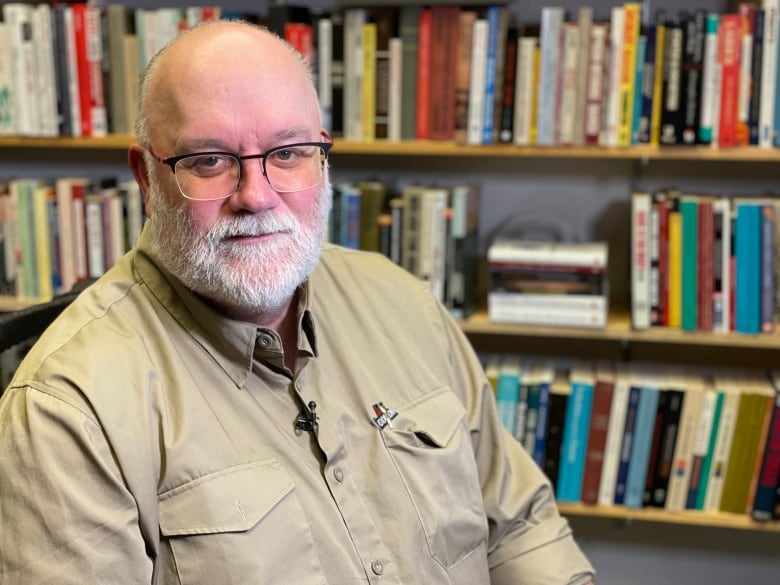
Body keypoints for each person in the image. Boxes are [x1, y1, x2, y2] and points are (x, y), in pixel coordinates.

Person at [0, 20, 595, 585]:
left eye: (288, 153)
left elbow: (520, 529)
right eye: (209, 160)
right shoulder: (66, 410)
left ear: (322, 156)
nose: (256, 196)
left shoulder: (400, 300)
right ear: (146, 180)